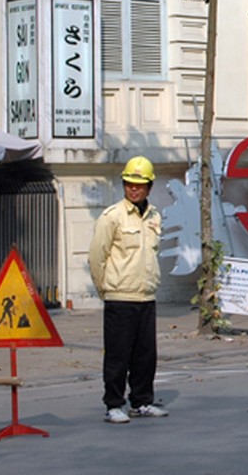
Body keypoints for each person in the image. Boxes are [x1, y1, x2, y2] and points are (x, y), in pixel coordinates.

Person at [88, 155, 168, 424]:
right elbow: (96, 257)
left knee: (146, 355)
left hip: (146, 295)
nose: (134, 189)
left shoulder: (154, 215)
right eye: (129, 184)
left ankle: (142, 401)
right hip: (119, 296)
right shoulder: (112, 217)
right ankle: (113, 404)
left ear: (149, 187)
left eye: (140, 184)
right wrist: (105, 289)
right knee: (118, 355)